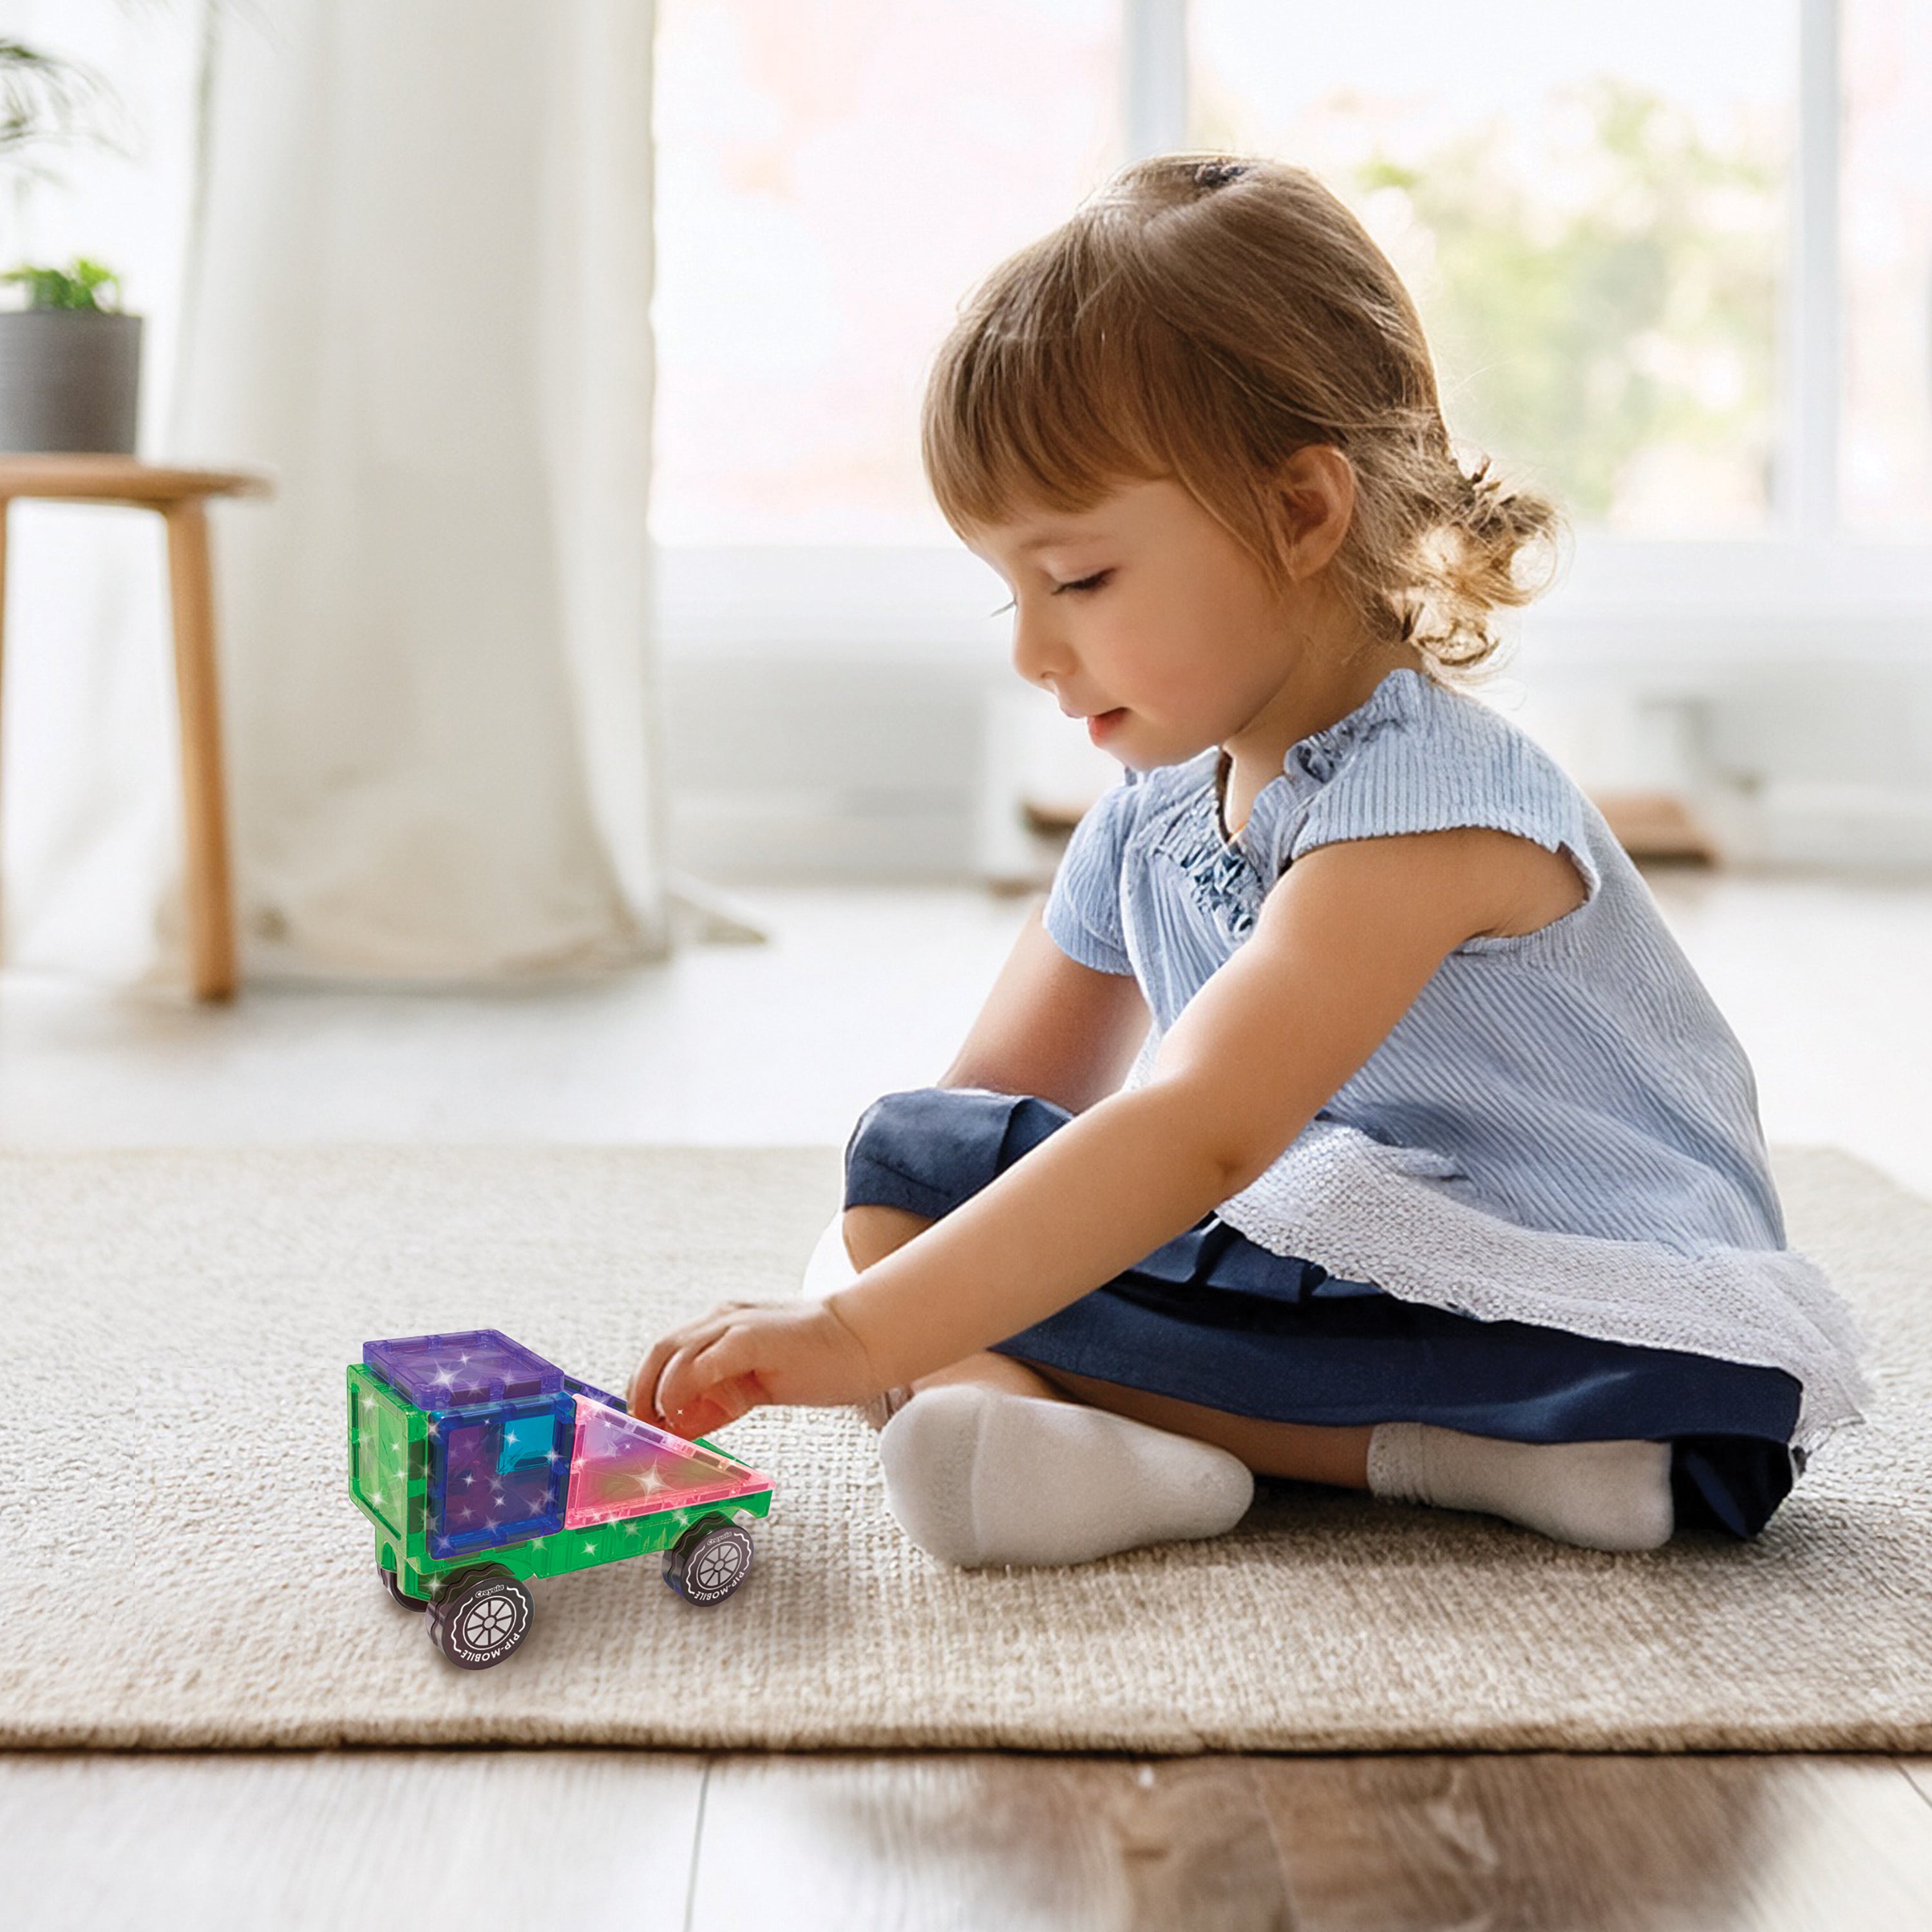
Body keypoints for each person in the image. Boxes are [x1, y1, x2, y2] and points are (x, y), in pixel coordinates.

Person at [629, 155, 1868, 1567]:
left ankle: (1344, 1448)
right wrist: (875, 1286)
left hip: (1631, 1340)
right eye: (1012, 590)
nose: (1034, 651)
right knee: (912, 1165)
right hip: (1392, 1318)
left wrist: (859, 1331)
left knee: (906, 1227)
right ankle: (1090, 1440)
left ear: (1299, 515)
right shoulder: (1152, 817)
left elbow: (1203, 1129)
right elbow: (993, 1116)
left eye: (1079, 579)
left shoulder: (1427, 805)